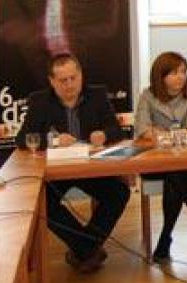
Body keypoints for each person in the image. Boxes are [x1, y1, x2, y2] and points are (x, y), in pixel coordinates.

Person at [15, 53, 130, 274]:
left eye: (73, 78)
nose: (69, 84)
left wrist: (104, 134)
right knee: (44, 204)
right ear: (51, 81)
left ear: (81, 75)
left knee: (119, 193)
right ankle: (88, 249)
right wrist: (53, 140)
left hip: (89, 168)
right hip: (56, 172)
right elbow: (22, 139)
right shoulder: (40, 100)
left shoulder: (96, 95)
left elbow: (116, 129)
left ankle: (83, 249)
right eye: (62, 80)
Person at [135, 51, 187, 263]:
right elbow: (142, 130)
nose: (180, 77)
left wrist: (176, 135)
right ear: (160, 76)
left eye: (183, 72)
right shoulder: (148, 96)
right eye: (173, 73)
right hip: (156, 163)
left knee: (176, 176)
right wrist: (178, 135)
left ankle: (165, 238)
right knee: (175, 175)